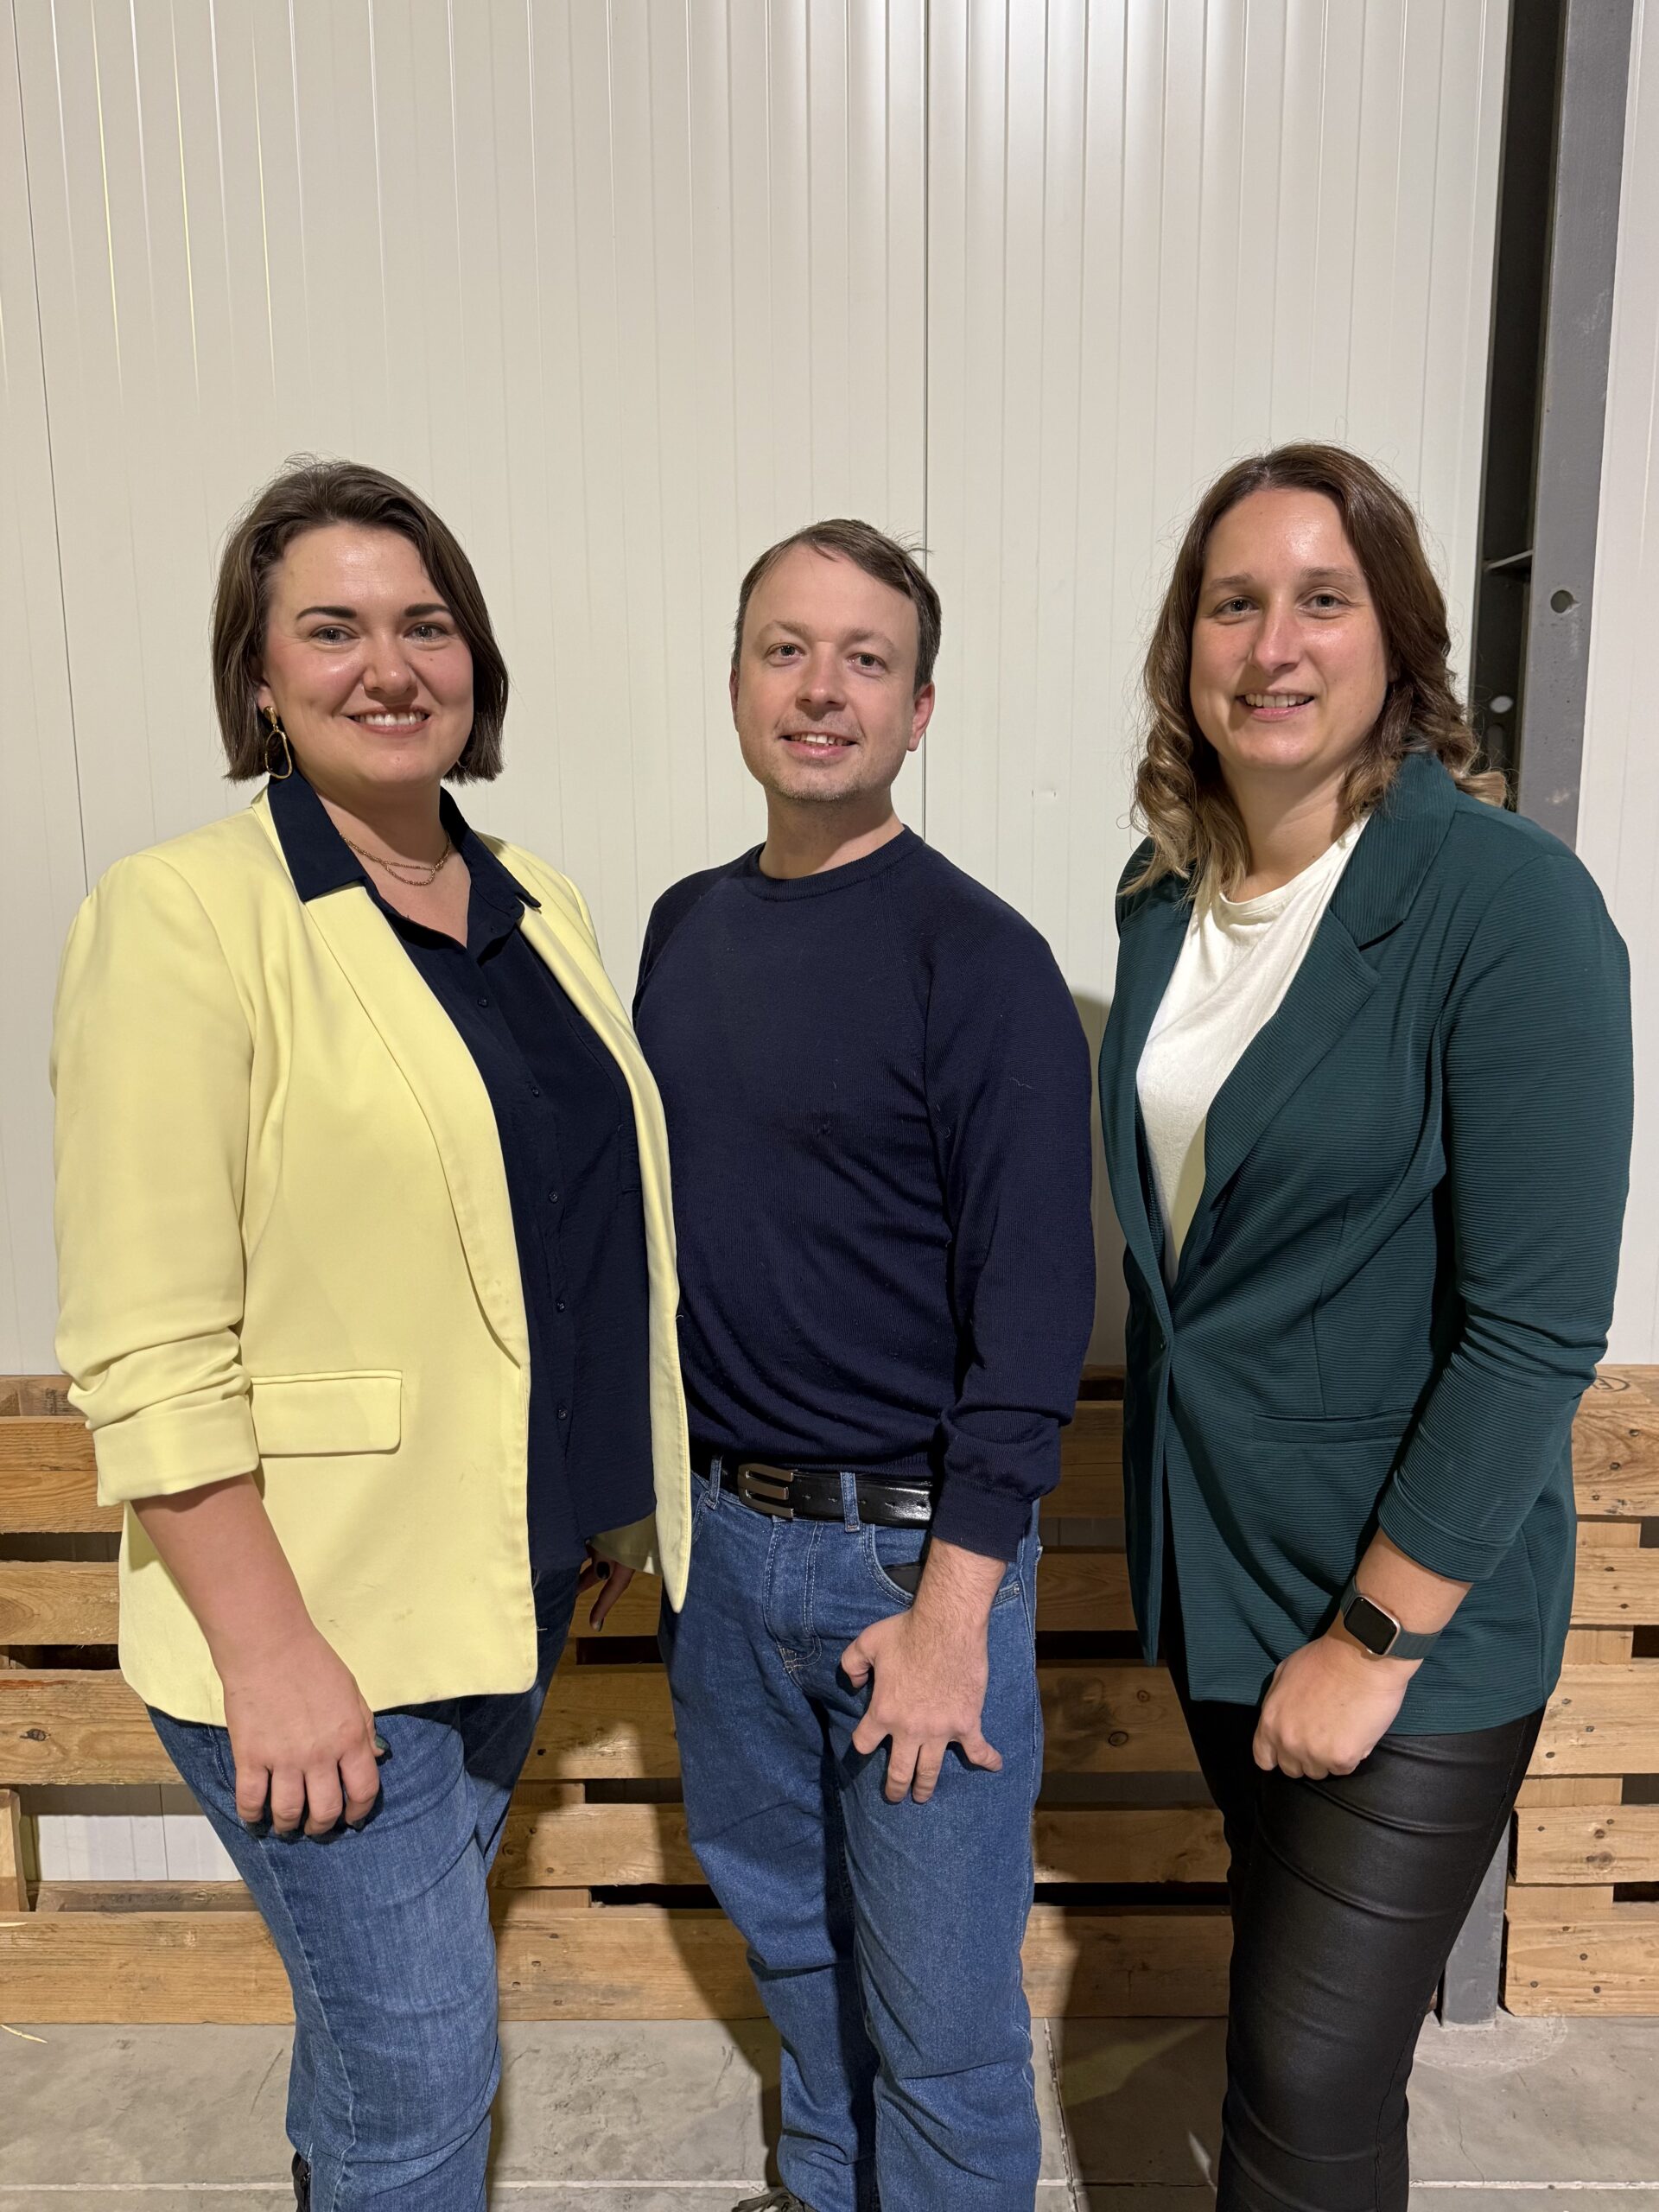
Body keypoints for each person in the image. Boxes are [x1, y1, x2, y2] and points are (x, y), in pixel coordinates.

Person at [51, 459, 690, 2211]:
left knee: (371, 2050)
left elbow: (564, 1230)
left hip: (507, 1584)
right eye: (331, 629)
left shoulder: (536, 901)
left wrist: (604, 1505)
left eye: (426, 623)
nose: (389, 665)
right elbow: (146, 1341)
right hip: (317, 1617)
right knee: (421, 2075)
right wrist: (271, 1654)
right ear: (259, 678)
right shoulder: (184, 914)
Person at [1097, 443, 1632, 2212]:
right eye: (1232, 603)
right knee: (1305, 2041)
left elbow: (1532, 1328)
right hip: (1223, 1573)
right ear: (1186, 646)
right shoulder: (1163, 901)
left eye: (1322, 598)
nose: (1272, 643)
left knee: (1302, 2075)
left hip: (1407, 1609)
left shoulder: (1503, 903)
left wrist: (1378, 1637)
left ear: (1399, 638)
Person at [634, 520, 1096, 2212]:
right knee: (801, 1968)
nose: (821, 688)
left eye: (866, 659)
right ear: (736, 679)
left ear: (918, 710)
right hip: (719, 1549)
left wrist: (953, 1618)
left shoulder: (978, 960)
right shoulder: (684, 929)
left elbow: (1033, 1323)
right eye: (787, 648)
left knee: (944, 2029)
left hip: (904, 1568)